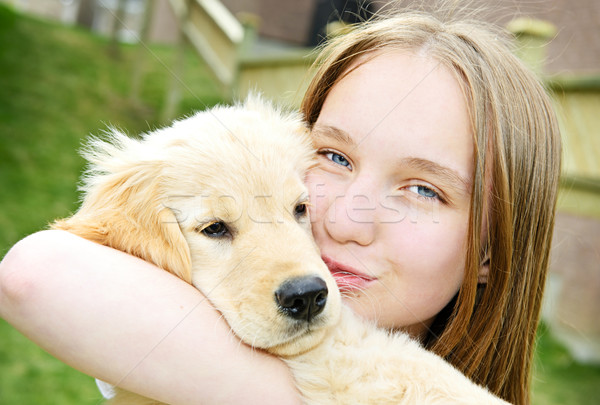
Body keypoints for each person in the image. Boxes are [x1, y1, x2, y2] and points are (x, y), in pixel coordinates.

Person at [0, 8, 561, 405]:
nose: (342, 219)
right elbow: (34, 275)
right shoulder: (178, 330)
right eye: (335, 158)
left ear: (493, 250)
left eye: (423, 189)